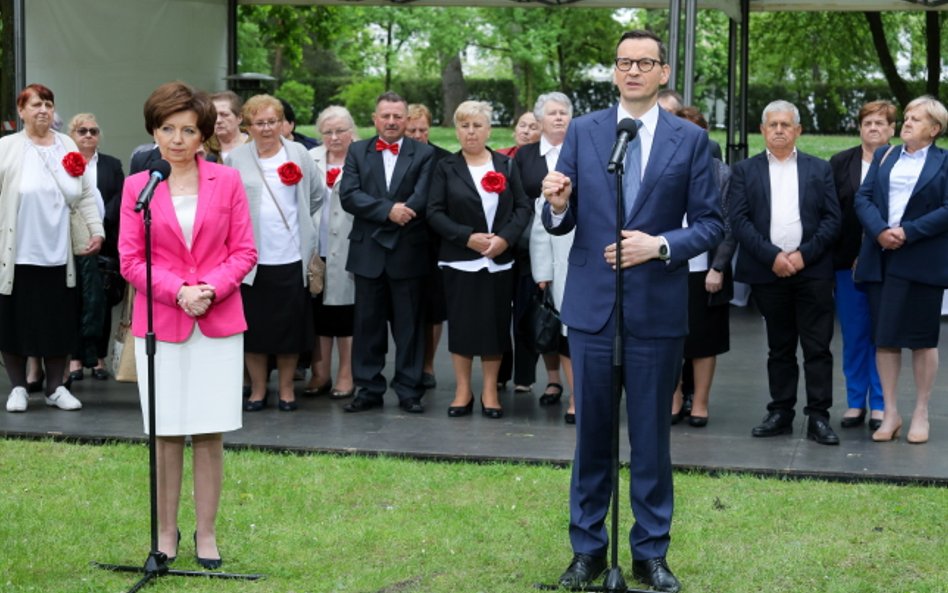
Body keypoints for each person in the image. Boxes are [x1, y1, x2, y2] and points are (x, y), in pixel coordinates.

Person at [541, 30, 724, 592]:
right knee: (591, 437)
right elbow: (562, 220)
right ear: (615, 71)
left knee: (650, 440)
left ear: (664, 72)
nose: (634, 71)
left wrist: (660, 246)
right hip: (594, 311)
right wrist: (558, 203)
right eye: (625, 63)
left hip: (657, 312)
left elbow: (713, 223)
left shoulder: (691, 141)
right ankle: (587, 551)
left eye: (645, 62)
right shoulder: (586, 130)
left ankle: (650, 554)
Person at [118, 81, 257, 566]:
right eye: (167, 129)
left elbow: (244, 251)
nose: (176, 139)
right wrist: (177, 291)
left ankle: (207, 534)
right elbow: (130, 259)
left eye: (187, 130)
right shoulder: (139, 186)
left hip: (218, 320)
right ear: (154, 132)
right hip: (162, 323)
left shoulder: (228, 181)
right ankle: (165, 532)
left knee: (209, 432)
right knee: (166, 432)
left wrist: (209, 290)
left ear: (204, 136)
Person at [729, 100, 841, 445]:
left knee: (817, 347)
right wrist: (774, 257)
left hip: (812, 271)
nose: (779, 130)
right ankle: (780, 411)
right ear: (762, 130)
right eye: (772, 124)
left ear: (798, 130)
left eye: (785, 124)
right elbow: (740, 221)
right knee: (779, 347)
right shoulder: (744, 171)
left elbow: (832, 219)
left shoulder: (819, 169)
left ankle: (819, 417)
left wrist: (803, 256)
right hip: (768, 272)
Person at [2, 83, 104, 413]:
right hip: (17, 255)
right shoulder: (6, 147)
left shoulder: (67, 144)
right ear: (21, 111)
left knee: (59, 323)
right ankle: (18, 388)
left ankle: (55, 388)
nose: (43, 109)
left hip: (59, 256)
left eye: (48, 103)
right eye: (35, 104)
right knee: (15, 324)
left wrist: (97, 231)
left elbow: (86, 194)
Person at [427, 100, 531, 418]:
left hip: (498, 262)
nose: (471, 132)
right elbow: (434, 212)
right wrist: (466, 236)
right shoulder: (445, 167)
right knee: (461, 328)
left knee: (495, 328)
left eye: (477, 125)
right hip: (460, 261)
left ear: (489, 129)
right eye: (464, 126)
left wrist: (504, 239)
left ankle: (489, 391)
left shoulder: (506, 165)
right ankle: (462, 391)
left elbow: (523, 208)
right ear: (456, 130)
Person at [853, 95, 948, 445]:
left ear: (934, 129)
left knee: (923, 340)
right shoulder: (885, 155)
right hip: (883, 257)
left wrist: (908, 232)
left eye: (916, 119)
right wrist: (880, 230)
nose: (906, 122)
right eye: (906, 116)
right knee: (885, 338)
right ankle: (890, 412)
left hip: (922, 259)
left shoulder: (945, 161)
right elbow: (862, 198)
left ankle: (921, 411)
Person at [226, 94, 323, 412]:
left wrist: (306, 235)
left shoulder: (298, 153)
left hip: (291, 258)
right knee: (254, 330)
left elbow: (317, 196)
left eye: (273, 122)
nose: (267, 129)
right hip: (252, 262)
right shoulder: (236, 159)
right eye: (260, 123)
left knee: (289, 330)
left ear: (282, 123)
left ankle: (285, 391)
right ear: (248, 125)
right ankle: (257, 390)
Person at [339, 91, 434, 414]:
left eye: (397, 116)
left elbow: (423, 198)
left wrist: (399, 213)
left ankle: (409, 389)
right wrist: (388, 211)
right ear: (375, 119)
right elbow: (349, 196)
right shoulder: (356, 151)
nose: (392, 122)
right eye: (386, 116)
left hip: (408, 251)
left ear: (406, 120)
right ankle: (368, 388)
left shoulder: (423, 155)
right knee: (367, 325)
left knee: (409, 327)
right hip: (368, 253)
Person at [829, 100, 895, 432]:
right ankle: (856, 402)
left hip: (889, 265)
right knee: (854, 336)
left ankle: (882, 405)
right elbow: (831, 214)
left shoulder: (903, 163)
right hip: (846, 265)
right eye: (868, 122)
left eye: (881, 123)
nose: (873, 128)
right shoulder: (840, 163)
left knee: (882, 336)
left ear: (892, 129)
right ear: (859, 127)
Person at [669, 106, 735, 427]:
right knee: (669, 338)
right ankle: (675, 397)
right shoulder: (660, 167)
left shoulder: (720, 172)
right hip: (666, 267)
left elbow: (729, 224)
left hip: (706, 270)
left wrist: (719, 267)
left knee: (704, 340)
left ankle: (701, 403)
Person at [522, 92, 575, 420]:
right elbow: (541, 220)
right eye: (552, 113)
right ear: (540, 119)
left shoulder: (584, 152)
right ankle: (558, 384)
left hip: (583, 257)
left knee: (575, 332)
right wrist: (542, 270)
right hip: (548, 257)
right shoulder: (527, 157)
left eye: (564, 112)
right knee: (552, 327)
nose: (558, 118)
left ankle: (578, 396)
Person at [67, 113, 125, 382]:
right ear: (72, 135)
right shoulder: (63, 163)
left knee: (100, 301)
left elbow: (121, 197)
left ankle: (99, 359)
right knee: (76, 300)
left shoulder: (112, 165)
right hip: (73, 242)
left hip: (106, 242)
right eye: (82, 131)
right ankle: (76, 359)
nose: (88, 135)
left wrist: (100, 225)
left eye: (93, 130)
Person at [305, 105, 358, 399]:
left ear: (352, 132)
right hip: (316, 247)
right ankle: (320, 372)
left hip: (349, 246)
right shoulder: (308, 159)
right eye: (328, 132)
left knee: (347, 313)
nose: (335, 137)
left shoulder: (361, 158)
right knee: (319, 314)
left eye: (340, 131)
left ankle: (346, 374)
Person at [406, 103, 450, 391]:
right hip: (403, 241)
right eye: (413, 130)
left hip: (435, 242)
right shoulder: (395, 158)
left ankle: (428, 364)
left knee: (433, 309)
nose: (419, 135)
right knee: (407, 309)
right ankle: (408, 363)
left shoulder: (443, 159)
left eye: (423, 130)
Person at [204, 90, 249, 162]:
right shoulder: (203, 146)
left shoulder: (256, 145)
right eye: (214, 115)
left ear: (239, 118)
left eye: (224, 115)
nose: (218, 120)